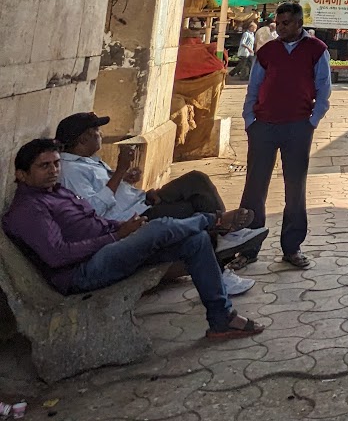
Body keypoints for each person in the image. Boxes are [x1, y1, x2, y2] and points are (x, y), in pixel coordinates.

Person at [4, 139, 263, 340]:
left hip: (106, 249)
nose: (53, 171)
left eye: (56, 164)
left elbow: (95, 222)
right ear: (22, 175)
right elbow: (58, 254)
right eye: (44, 166)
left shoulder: (56, 192)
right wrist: (116, 236)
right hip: (82, 272)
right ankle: (215, 221)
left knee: (193, 241)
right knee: (160, 227)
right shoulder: (29, 208)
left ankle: (221, 318)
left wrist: (124, 227)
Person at [54, 112, 261, 296]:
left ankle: (225, 233)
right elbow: (95, 210)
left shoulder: (89, 160)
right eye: (96, 131)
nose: (101, 134)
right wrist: (119, 172)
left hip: (141, 201)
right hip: (132, 219)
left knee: (196, 181)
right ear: (82, 139)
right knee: (192, 211)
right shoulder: (72, 171)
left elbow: (108, 188)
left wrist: (125, 178)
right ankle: (220, 267)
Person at [238, 1, 331, 270]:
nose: (280, 28)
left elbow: (323, 88)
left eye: (286, 23)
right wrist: (249, 120)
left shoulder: (317, 50)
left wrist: (312, 120)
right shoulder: (267, 52)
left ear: (299, 23)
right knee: (254, 188)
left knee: (295, 187)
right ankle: (248, 247)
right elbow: (254, 87)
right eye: (278, 23)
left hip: (298, 126)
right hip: (263, 125)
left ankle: (292, 247)